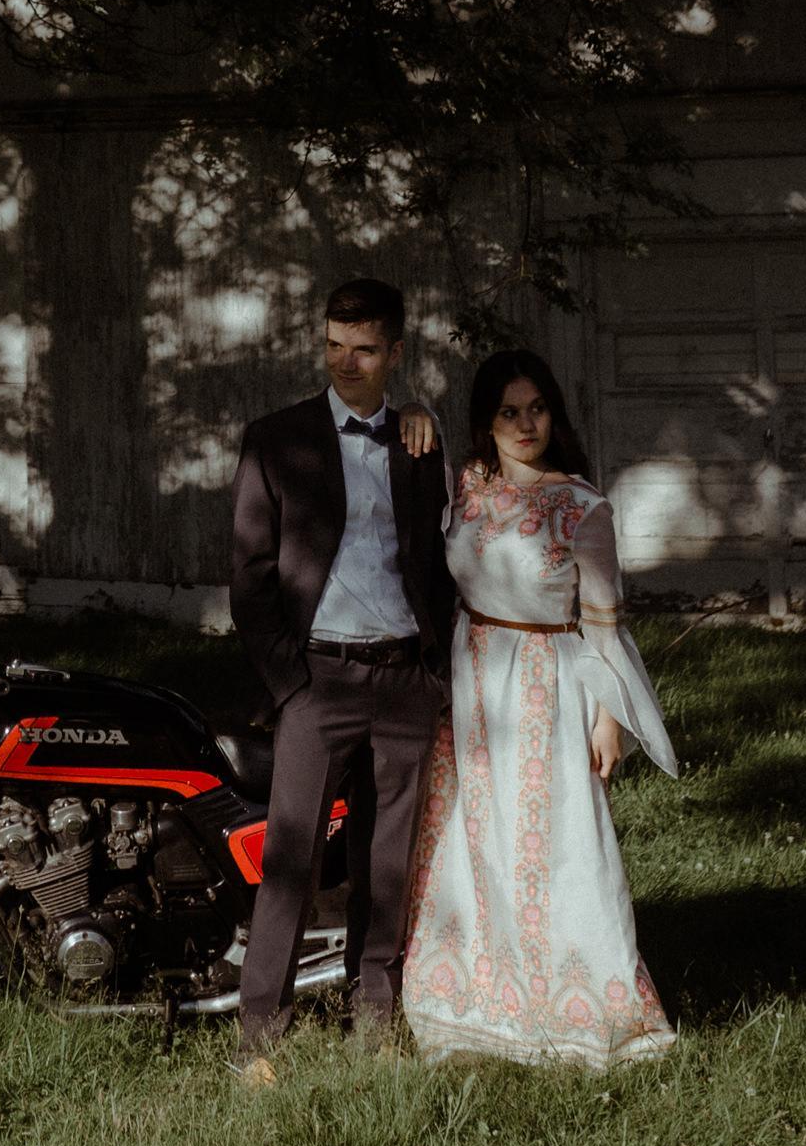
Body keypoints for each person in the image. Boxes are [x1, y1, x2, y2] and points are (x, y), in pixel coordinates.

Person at [401, 346, 679, 1069]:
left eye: (537, 409)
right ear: (485, 422)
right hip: (473, 684)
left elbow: (605, 625)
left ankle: (583, 1006)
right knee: (474, 838)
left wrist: (607, 718)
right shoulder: (469, 486)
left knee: (558, 841)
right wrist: (413, 411)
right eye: (508, 412)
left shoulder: (582, 507)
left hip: (547, 690)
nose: (526, 425)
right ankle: (476, 999)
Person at [223, 276, 453, 1076]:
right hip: (318, 679)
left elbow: (437, 561)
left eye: (364, 349)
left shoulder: (419, 442)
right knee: (291, 860)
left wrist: (434, 672)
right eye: (333, 345)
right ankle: (261, 1034)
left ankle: (375, 1019)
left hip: (404, 680)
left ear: (395, 352)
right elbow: (249, 576)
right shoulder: (275, 438)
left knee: (386, 861)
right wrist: (290, 683)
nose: (345, 362)